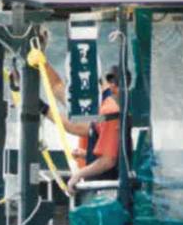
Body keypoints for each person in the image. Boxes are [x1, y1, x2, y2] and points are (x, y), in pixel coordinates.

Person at [41, 63, 131, 195]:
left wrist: (42, 108)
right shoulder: (100, 103)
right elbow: (57, 87)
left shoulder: (110, 110)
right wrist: (42, 63)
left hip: (107, 191)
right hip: (99, 185)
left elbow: (108, 160)